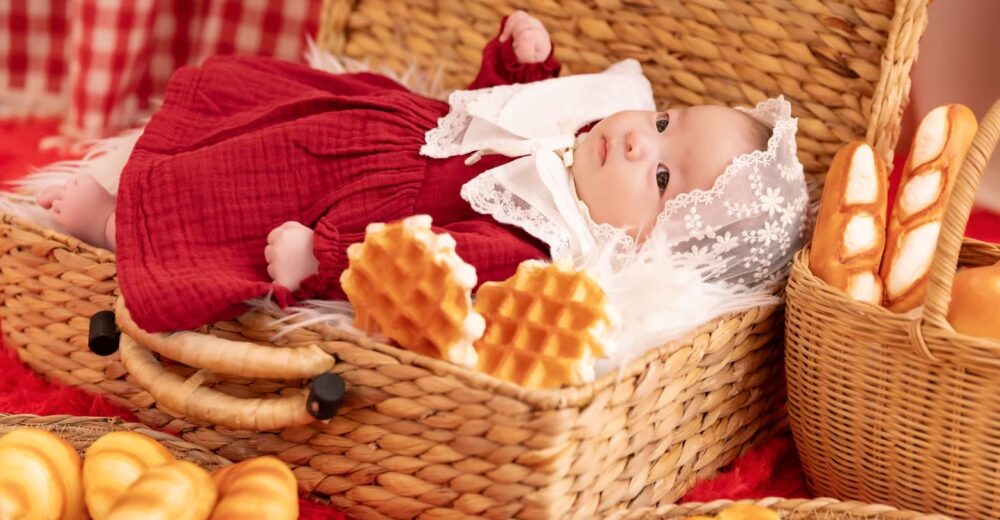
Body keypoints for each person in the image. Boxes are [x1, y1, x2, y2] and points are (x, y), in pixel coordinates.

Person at [37, 11, 807, 333]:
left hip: (348, 202)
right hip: (380, 125)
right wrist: (521, 67)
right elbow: (493, 115)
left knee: (237, 203)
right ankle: (148, 164)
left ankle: (115, 226)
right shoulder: (583, 144)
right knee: (252, 120)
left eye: (664, 179)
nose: (641, 142)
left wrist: (323, 257)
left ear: (648, 250)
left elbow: (425, 265)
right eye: (664, 122)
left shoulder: (540, 248)